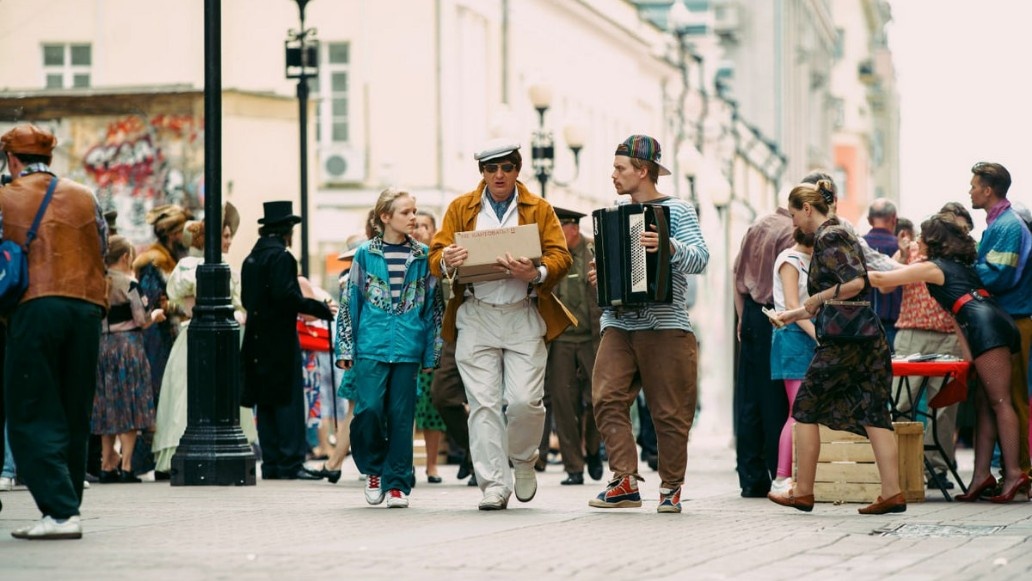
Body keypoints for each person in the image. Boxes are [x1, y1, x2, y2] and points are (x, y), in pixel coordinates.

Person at [429, 138, 573, 510]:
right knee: (483, 405)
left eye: (506, 167)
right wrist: (448, 259)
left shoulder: (538, 208)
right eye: (491, 169)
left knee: (525, 400)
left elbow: (561, 256)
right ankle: (494, 483)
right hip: (476, 313)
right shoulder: (461, 207)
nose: (499, 175)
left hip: (523, 313)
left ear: (517, 170)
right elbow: (436, 255)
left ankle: (524, 460)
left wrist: (537, 271)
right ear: (482, 173)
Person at [587, 135, 709, 514]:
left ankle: (671, 487)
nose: (613, 175)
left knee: (669, 413)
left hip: (665, 324)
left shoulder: (679, 210)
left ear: (642, 171)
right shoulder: (612, 212)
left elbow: (701, 259)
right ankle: (624, 480)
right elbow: (613, 264)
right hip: (619, 322)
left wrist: (669, 246)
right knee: (606, 398)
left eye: (620, 168)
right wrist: (602, 274)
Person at [870, 213, 1028, 502]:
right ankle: (981, 476)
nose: (917, 240)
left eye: (921, 236)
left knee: (1000, 401)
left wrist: (845, 270)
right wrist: (968, 361)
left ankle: (1015, 473)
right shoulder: (958, 265)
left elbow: (881, 278)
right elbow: (957, 313)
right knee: (986, 404)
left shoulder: (934, 267)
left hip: (986, 329)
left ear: (932, 241)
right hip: (989, 324)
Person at [769, 179, 904, 515]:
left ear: (807, 208)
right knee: (875, 412)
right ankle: (892, 492)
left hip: (845, 338)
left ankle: (802, 491)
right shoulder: (839, 233)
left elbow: (857, 282)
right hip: (865, 335)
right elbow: (844, 291)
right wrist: (793, 315)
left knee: (804, 408)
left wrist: (813, 298)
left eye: (794, 214)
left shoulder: (830, 236)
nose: (793, 222)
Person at [1, 124, 108, 539]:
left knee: (31, 408)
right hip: (84, 308)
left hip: (35, 306)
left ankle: (60, 513)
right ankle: (69, 507)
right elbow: (100, 246)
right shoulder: (85, 195)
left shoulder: (5, 198)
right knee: (73, 406)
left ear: (12, 159)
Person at [336, 188, 443, 508]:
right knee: (368, 410)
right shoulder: (365, 254)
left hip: (409, 347)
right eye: (406, 212)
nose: (414, 217)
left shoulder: (423, 255)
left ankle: (396, 483)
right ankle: (373, 470)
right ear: (385, 217)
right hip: (371, 345)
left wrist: (431, 353)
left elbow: (433, 308)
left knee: (401, 415)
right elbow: (349, 302)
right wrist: (345, 347)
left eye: (415, 211)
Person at [152, 205, 256, 478]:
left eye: (230, 236)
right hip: (197, 341)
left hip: (223, 343)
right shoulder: (190, 266)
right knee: (189, 396)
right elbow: (187, 301)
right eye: (224, 236)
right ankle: (182, 453)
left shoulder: (224, 268)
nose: (229, 241)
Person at [240, 201, 333, 481]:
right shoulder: (282, 257)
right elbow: (287, 297)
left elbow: (247, 300)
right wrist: (320, 309)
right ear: (286, 231)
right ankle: (290, 462)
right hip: (279, 338)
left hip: (256, 338)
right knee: (288, 401)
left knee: (265, 403)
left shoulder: (251, 259)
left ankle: (271, 463)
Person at [889, 212, 963, 491]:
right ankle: (899, 467)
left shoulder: (955, 256)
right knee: (901, 403)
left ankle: (937, 469)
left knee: (944, 408)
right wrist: (901, 253)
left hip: (947, 336)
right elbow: (888, 286)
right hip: (912, 333)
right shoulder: (912, 252)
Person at [968, 161, 1032, 477]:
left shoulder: (1008, 226)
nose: (970, 190)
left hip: (1016, 322)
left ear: (988, 190)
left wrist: (965, 269)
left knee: (1014, 399)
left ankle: (1021, 472)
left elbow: (1000, 276)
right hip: (1005, 321)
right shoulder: (999, 224)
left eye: (974, 185)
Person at [731, 197, 794, 497]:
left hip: (752, 313)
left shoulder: (757, 226)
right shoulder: (791, 233)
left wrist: (742, 317)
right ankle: (776, 472)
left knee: (749, 399)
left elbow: (735, 275)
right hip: (777, 314)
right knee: (774, 400)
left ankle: (750, 477)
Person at [93, 236, 165, 483]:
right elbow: (142, 319)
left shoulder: (98, 282)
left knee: (107, 404)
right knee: (130, 403)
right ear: (125, 257)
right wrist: (155, 314)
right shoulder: (130, 284)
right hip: (128, 347)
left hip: (103, 346)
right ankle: (125, 465)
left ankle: (106, 464)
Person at [543, 206, 603, 485]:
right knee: (564, 404)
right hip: (562, 340)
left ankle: (592, 448)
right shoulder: (551, 255)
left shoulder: (596, 251)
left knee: (597, 400)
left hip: (593, 339)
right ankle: (573, 468)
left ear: (573, 229)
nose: (554, 233)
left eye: (560, 228)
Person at [770, 226, 816, 493]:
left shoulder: (812, 259)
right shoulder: (790, 260)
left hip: (807, 335)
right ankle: (781, 476)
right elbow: (790, 306)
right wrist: (818, 336)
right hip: (794, 337)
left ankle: (797, 475)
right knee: (797, 410)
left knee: (804, 411)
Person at [412, 209, 448, 483]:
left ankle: (432, 465)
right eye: (416, 225)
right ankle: (407, 463)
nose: (419, 230)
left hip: (436, 341)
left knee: (432, 406)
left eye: (425, 226)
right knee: (407, 406)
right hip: (409, 340)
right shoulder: (410, 259)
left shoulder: (439, 261)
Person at [863, 199, 903, 347]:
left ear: (869, 220)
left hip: (861, 325)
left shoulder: (856, 246)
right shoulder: (900, 247)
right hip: (893, 326)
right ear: (893, 219)